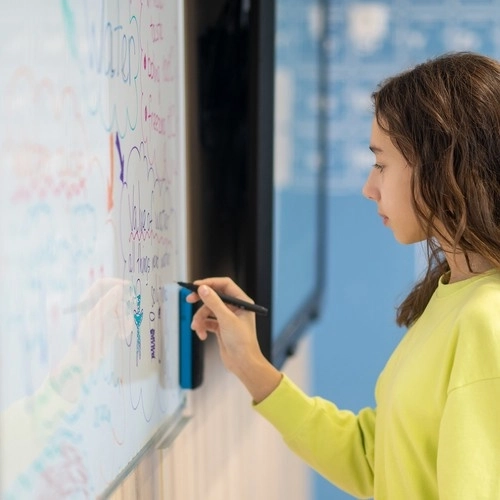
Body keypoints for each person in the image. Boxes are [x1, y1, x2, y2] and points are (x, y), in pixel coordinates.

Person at [186, 51, 500, 499]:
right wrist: (252, 366)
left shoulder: (487, 323)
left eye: (381, 163)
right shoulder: (454, 294)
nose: (369, 187)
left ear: (442, 168)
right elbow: (375, 460)